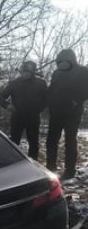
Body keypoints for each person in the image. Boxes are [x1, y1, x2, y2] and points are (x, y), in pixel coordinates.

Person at [46, 48, 88, 180]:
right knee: (51, 140)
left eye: (65, 61)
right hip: (56, 111)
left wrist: (75, 101)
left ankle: (70, 171)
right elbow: (52, 89)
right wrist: (49, 103)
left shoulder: (82, 71)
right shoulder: (57, 73)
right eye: (60, 62)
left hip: (72, 112)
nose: (63, 64)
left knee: (70, 140)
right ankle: (50, 168)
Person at [0, 60, 47, 160]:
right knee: (14, 142)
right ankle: (12, 161)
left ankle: (33, 163)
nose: (25, 74)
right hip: (17, 117)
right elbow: (1, 97)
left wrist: (38, 110)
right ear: (21, 72)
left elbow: (46, 99)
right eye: (24, 72)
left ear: (32, 73)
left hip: (33, 118)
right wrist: (7, 106)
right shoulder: (14, 84)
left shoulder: (40, 83)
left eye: (28, 72)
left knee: (33, 143)